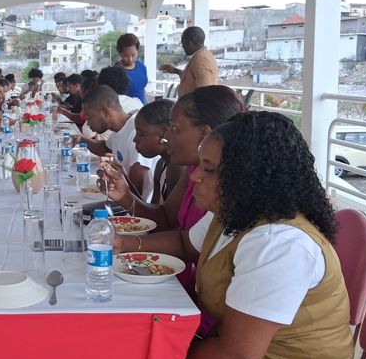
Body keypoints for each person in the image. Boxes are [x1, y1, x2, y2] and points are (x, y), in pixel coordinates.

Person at [116, 111, 354, 359]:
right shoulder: (233, 210)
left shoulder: (278, 243)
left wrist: (156, 353)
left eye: (208, 168)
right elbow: (186, 243)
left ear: (249, 177)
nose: (195, 175)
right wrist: (120, 245)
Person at [100, 85, 245, 293]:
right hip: (181, 281)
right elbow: (168, 220)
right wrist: (124, 196)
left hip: (192, 288)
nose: (167, 137)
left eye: (175, 129)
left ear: (204, 133)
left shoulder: (236, 192)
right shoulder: (192, 169)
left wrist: (127, 243)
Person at [80, 85, 159, 202]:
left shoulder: (135, 134)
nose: (88, 123)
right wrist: (80, 139)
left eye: (90, 117)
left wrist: (117, 180)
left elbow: (136, 191)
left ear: (106, 112)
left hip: (138, 207)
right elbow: (104, 147)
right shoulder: (119, 129)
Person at [132, 99, 184, 203]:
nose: (135, 139)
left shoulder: (178, 168)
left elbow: (168, 217)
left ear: (163, 133)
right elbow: (155, 210)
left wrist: (124, 195)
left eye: (141, 133)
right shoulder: (161, 164)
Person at [159, 26, 218, 97]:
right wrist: (175, 70)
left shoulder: (200, 60)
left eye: (183, 43)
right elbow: (192, 79)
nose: (182, 46)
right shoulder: (204, 55)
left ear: (189, 42)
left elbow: (204, 92)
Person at [114, 33, 148, 103]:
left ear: (137, 51)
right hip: (127, 111)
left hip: (142, 108)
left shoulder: (142, 67)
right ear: (120, 53)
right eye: (126, 56)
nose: (130, 59)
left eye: (133, 55)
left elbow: (141, 90)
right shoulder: (115, 72)